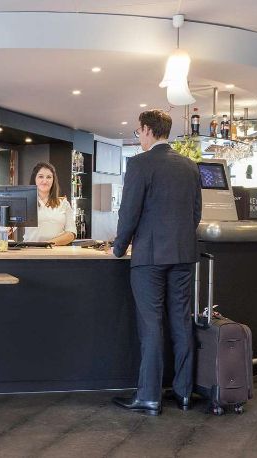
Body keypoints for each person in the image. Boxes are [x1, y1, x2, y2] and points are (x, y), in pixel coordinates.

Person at [110, 110, 202, 416]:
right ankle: (184, 393)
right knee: (181, 322)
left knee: (151, 326)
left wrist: (118, 247)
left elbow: (129, 213)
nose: (139, 136)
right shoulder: (189, 166)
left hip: (149, 257)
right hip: (183, 254)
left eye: (138, 131)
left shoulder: (140, 164)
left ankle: (149, 397)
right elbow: (196, 213)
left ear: (148, 130)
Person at [22, 162, 76, 245]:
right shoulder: (25, 202)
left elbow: (71, 234)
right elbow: (9, 227)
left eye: (49, 177)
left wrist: (46, 244)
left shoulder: (63, 203)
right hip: (30, 250)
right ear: (34, 179)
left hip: (57, 251)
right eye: (40, 176)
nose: (45, 181)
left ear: (53, 180)